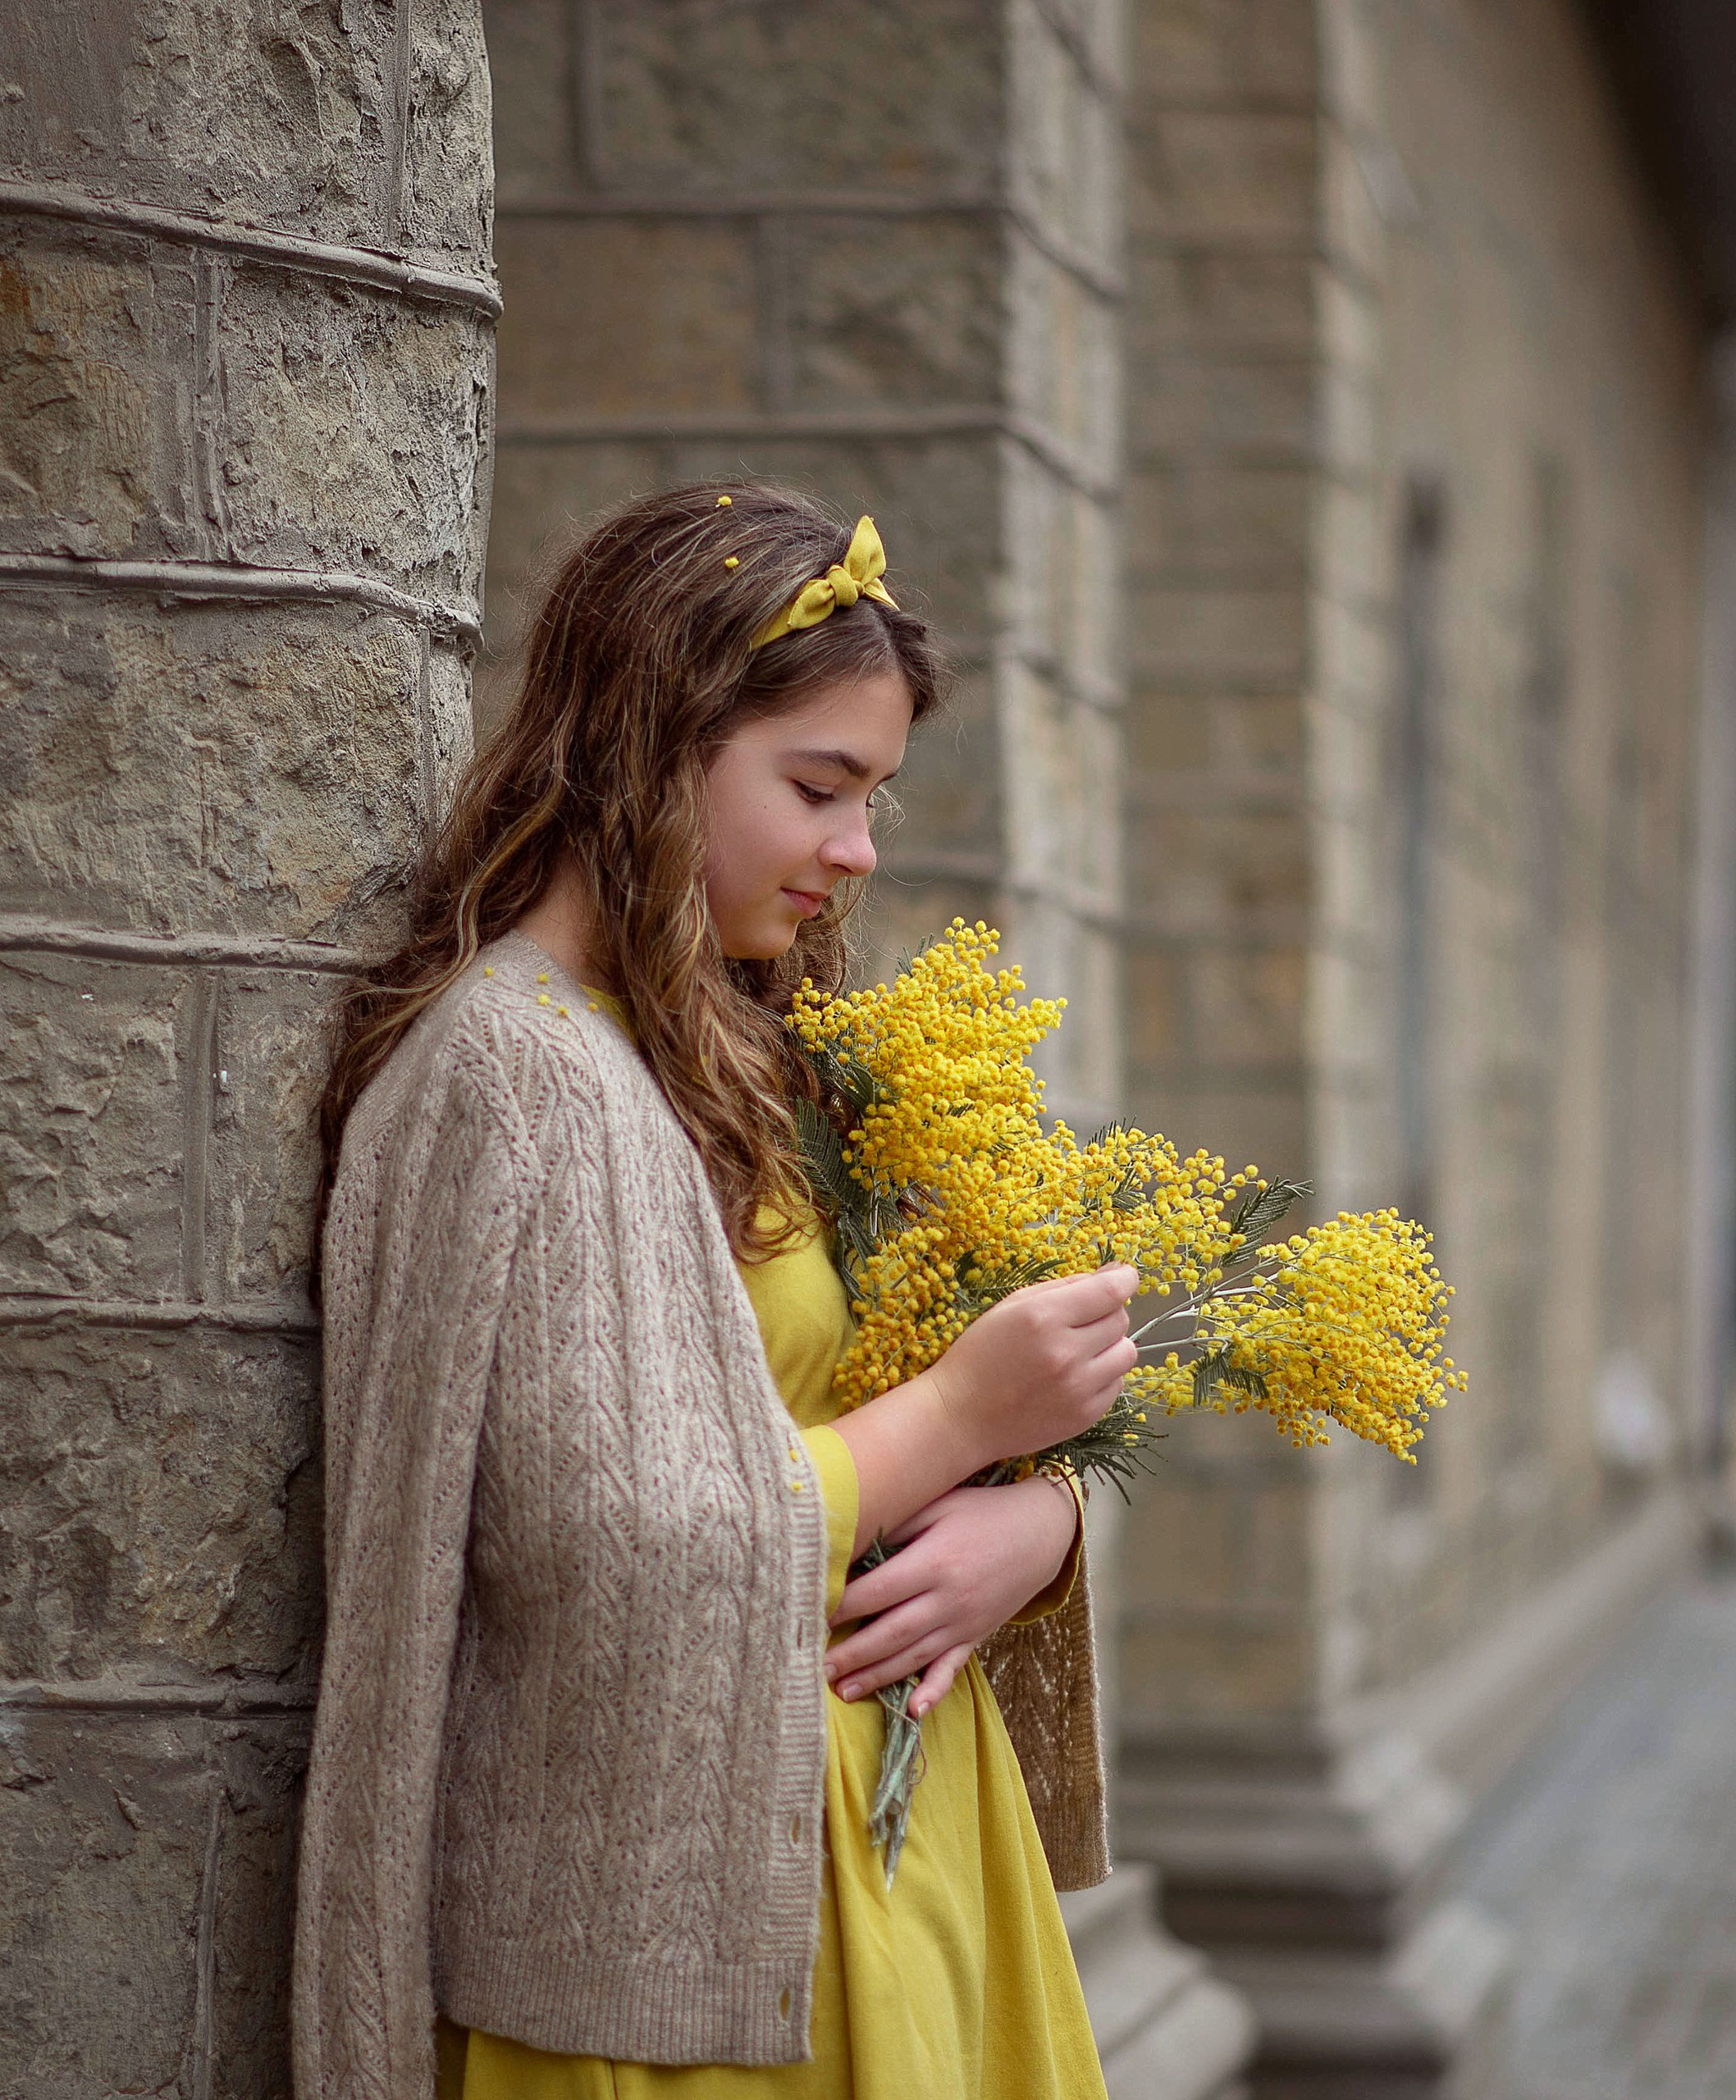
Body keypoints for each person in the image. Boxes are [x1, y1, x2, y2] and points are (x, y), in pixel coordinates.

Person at [294, 483, 1131, 2100]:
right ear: (646, 738)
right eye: (818, 785)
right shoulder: (506, 1074)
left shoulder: (768, 1053)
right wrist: (962, 1411)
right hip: (661, 1962)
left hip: (903, 1872)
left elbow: (825, 1406)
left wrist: (1034, 1527)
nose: (857, 849)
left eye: (874, 793)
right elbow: (616, 1549)